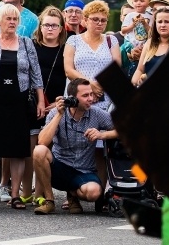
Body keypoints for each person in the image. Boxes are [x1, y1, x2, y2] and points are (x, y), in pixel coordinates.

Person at [0, 3, 44, 209]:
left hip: (18, 100)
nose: (12, 22)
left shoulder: (26, 43)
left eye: (15, 19)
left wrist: (40, 100)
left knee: (17, 148)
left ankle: (14, 195)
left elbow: (35, 73)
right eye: (8, 19)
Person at [63, 0, 121, 203]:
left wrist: (100, 86)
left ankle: (101, 196)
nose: (99, 23)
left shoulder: (111, 41)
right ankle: (72, 195)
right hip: (79, 97)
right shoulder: (74, 41)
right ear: (85, 20)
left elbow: (116, 67)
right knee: (73, 145)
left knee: (100, 149)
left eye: (103, 20)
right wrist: (90, 85)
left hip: (104, 100)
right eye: (95, 19)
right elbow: (68, 69)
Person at [33, 78, 118, 215]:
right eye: (85, 95)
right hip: (59, 168)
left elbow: (124, 129)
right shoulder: (56, 113)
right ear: (72, 98)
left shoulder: (96, 113)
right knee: (39, 151)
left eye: (91, 94)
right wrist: (59, 115)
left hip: (84, 171)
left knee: (94, 192)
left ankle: (72, 194)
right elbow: (42, 141)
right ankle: (50, 201)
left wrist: (102, 135)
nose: (91, 99)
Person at [23, 6, 68, 204]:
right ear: (40, 27)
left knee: (45, 147)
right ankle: (26, 191)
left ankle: (40, 194)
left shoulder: (66, 48)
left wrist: (60, 102)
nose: (50, 29)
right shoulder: (31, 46)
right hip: (33, 102)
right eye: (46, 25)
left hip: (58, 103)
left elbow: (70, 77)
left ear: (61, 28)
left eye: (54, 25)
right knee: (30, 149)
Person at [131, 6, 169, 86]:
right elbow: (140, 70)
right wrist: (134, 84)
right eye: (159, 22)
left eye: (167, 22)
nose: (163, 25)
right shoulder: (149, 43)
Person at [121, 0, 154, 74]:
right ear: (132, 2)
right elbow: (123, 30)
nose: (138, 3)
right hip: (130, 44)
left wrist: (145, 24)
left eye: (142, 1)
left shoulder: (150, 16)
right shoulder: (130, 15)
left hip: (144, 46)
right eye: (136, 1)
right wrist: (132, 25)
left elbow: (151, 32)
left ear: (148, 3)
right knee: (131, 62)